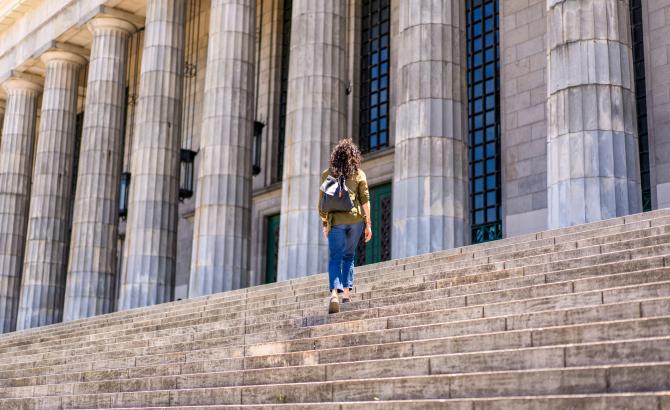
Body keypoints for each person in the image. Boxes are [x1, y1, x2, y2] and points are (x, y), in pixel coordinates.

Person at [319, 138, 372, 314]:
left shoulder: (328, 174)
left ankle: (334, 294)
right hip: (355, 220)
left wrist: (325, 224)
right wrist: (368, 224)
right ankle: (347, 294)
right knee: (349, 256)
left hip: (336, 222)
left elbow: (322, 204)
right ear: (354, 156)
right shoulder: (359, 174)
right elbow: (365, 201)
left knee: (335, 258)